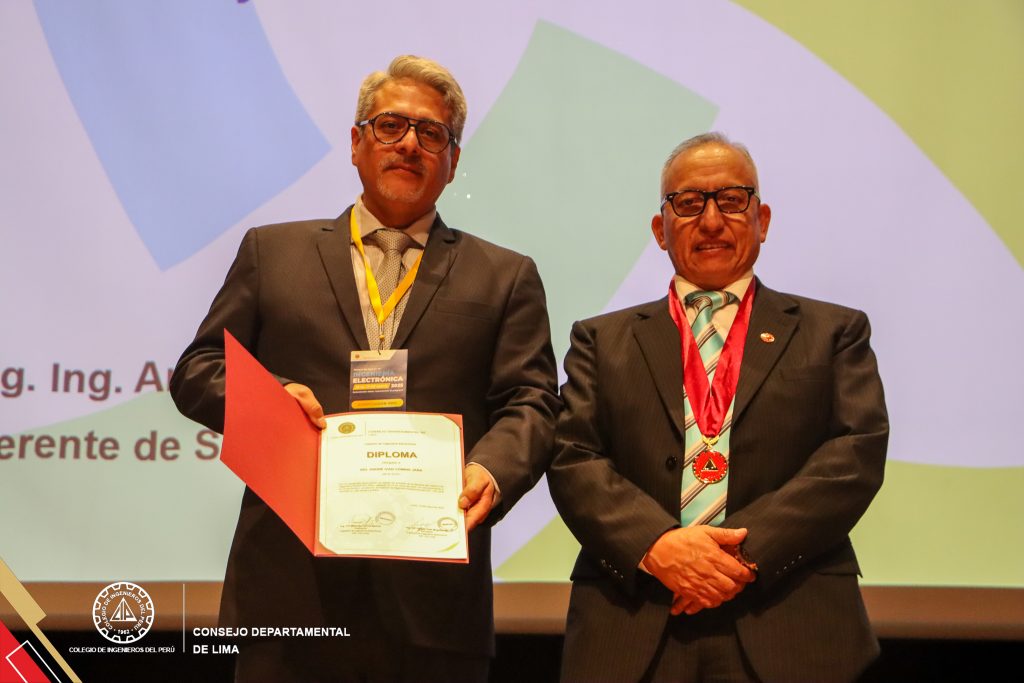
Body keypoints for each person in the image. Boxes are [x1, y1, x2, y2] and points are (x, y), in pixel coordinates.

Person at [170, 55, 559, 682]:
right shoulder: (273, 252)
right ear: (356, 143)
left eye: (431, 133)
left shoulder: (504, 275)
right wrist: (271, 397)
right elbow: (197, 369)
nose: (409, 144)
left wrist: (492, 468)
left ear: (453, 159)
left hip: (434, 603)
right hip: (290, 592)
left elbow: (532, 400)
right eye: (390, 126)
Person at [547, 132, 888, 683]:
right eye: (688, 203)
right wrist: (657, 545)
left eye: (731, 200)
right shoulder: (600, 340)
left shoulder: (833, 332)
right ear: (660, 229)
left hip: (792, 619)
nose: (710, 221)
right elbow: (572, 457)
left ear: (762, 220)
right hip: (635, 623)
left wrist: (737, 557)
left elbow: (854, 455)